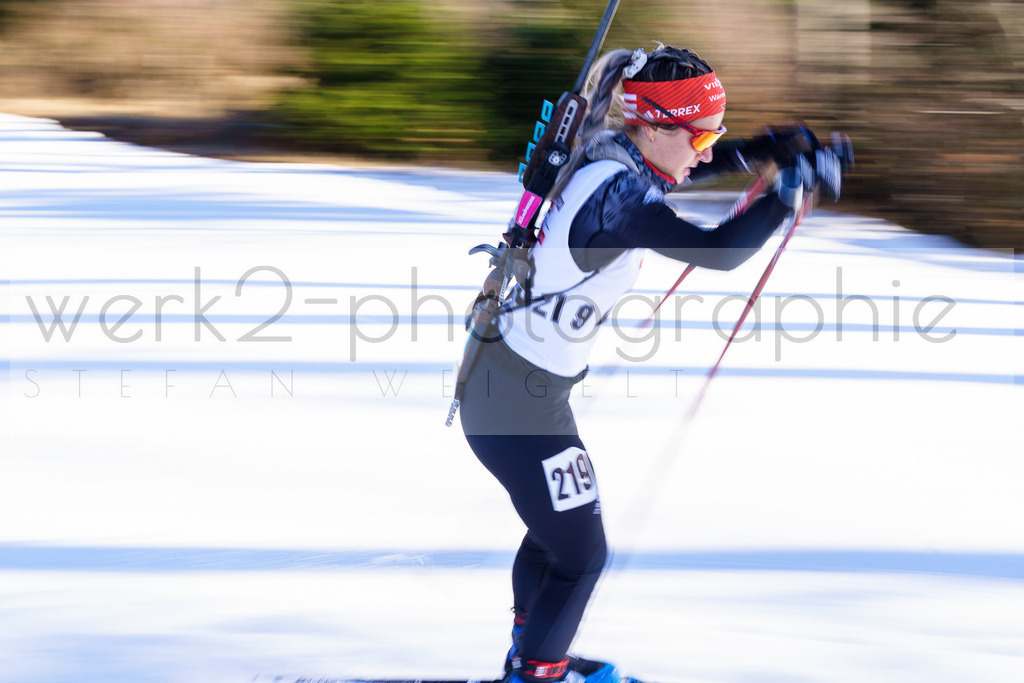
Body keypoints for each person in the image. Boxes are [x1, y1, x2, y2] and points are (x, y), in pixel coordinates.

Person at [459, 44, 844, 683]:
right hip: (513, 400)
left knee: (558, 537)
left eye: (712, 134)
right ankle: (538, 671)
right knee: (582, 553)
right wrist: (788, 192)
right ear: (654, 126)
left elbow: (691, 167)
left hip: (515, 387)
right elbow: (719, 252)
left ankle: (534, 654)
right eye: (701, 132)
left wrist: (770, 147)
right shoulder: (613, 198)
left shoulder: (614, 156)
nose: (705, 148)